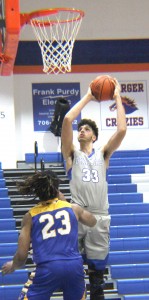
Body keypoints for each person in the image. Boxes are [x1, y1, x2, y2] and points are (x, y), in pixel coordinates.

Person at [61, 78, 127, 300]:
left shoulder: (103, 154)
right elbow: (68, 119)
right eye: (80, 129)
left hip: (99, 217)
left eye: (86, 129)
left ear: (94, 136)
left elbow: (121, 129)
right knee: (74, 276)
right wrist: (89, 96)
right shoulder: (71, 155)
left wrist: (117, 96)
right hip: (77, 216)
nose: (81, 130)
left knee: (97, 283)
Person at [2, 170, 97, 300]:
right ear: (57, 189)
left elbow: (22, 255)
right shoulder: (73, 208)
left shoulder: (30, 216)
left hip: (47, 268)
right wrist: (66, 203)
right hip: (74, 266)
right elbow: (92, 221)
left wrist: (14, 265)